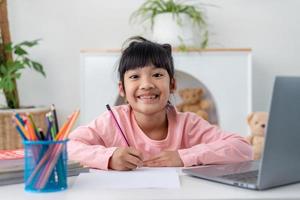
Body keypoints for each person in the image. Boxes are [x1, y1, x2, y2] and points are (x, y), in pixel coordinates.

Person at [68, 36, 252, 171]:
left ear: (172, 84)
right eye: (134, 76)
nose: (147, 84)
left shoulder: (188, 124)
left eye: (157, 75)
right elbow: (66, 147)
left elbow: (243, 148)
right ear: (122, 89)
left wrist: (184, 156)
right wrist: (109, 157)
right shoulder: (112, 120)